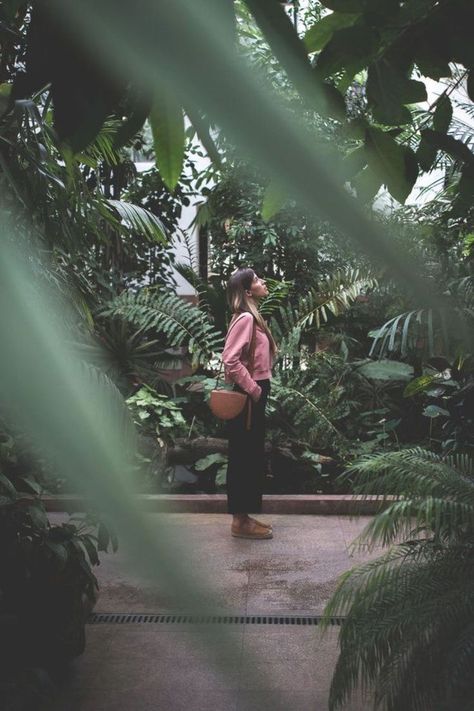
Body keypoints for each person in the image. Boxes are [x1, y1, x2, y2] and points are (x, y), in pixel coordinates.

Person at [222, 267, 278, 539]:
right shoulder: (245, 318)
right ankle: (239, 522)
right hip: (249, 393)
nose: (262, 282)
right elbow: (230, 359)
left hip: (254, 390)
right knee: (244, 457)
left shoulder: (251, 317)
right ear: (247, 292)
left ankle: (243, 517)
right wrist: (254, 390)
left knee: (250, 456)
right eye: (256, 280)